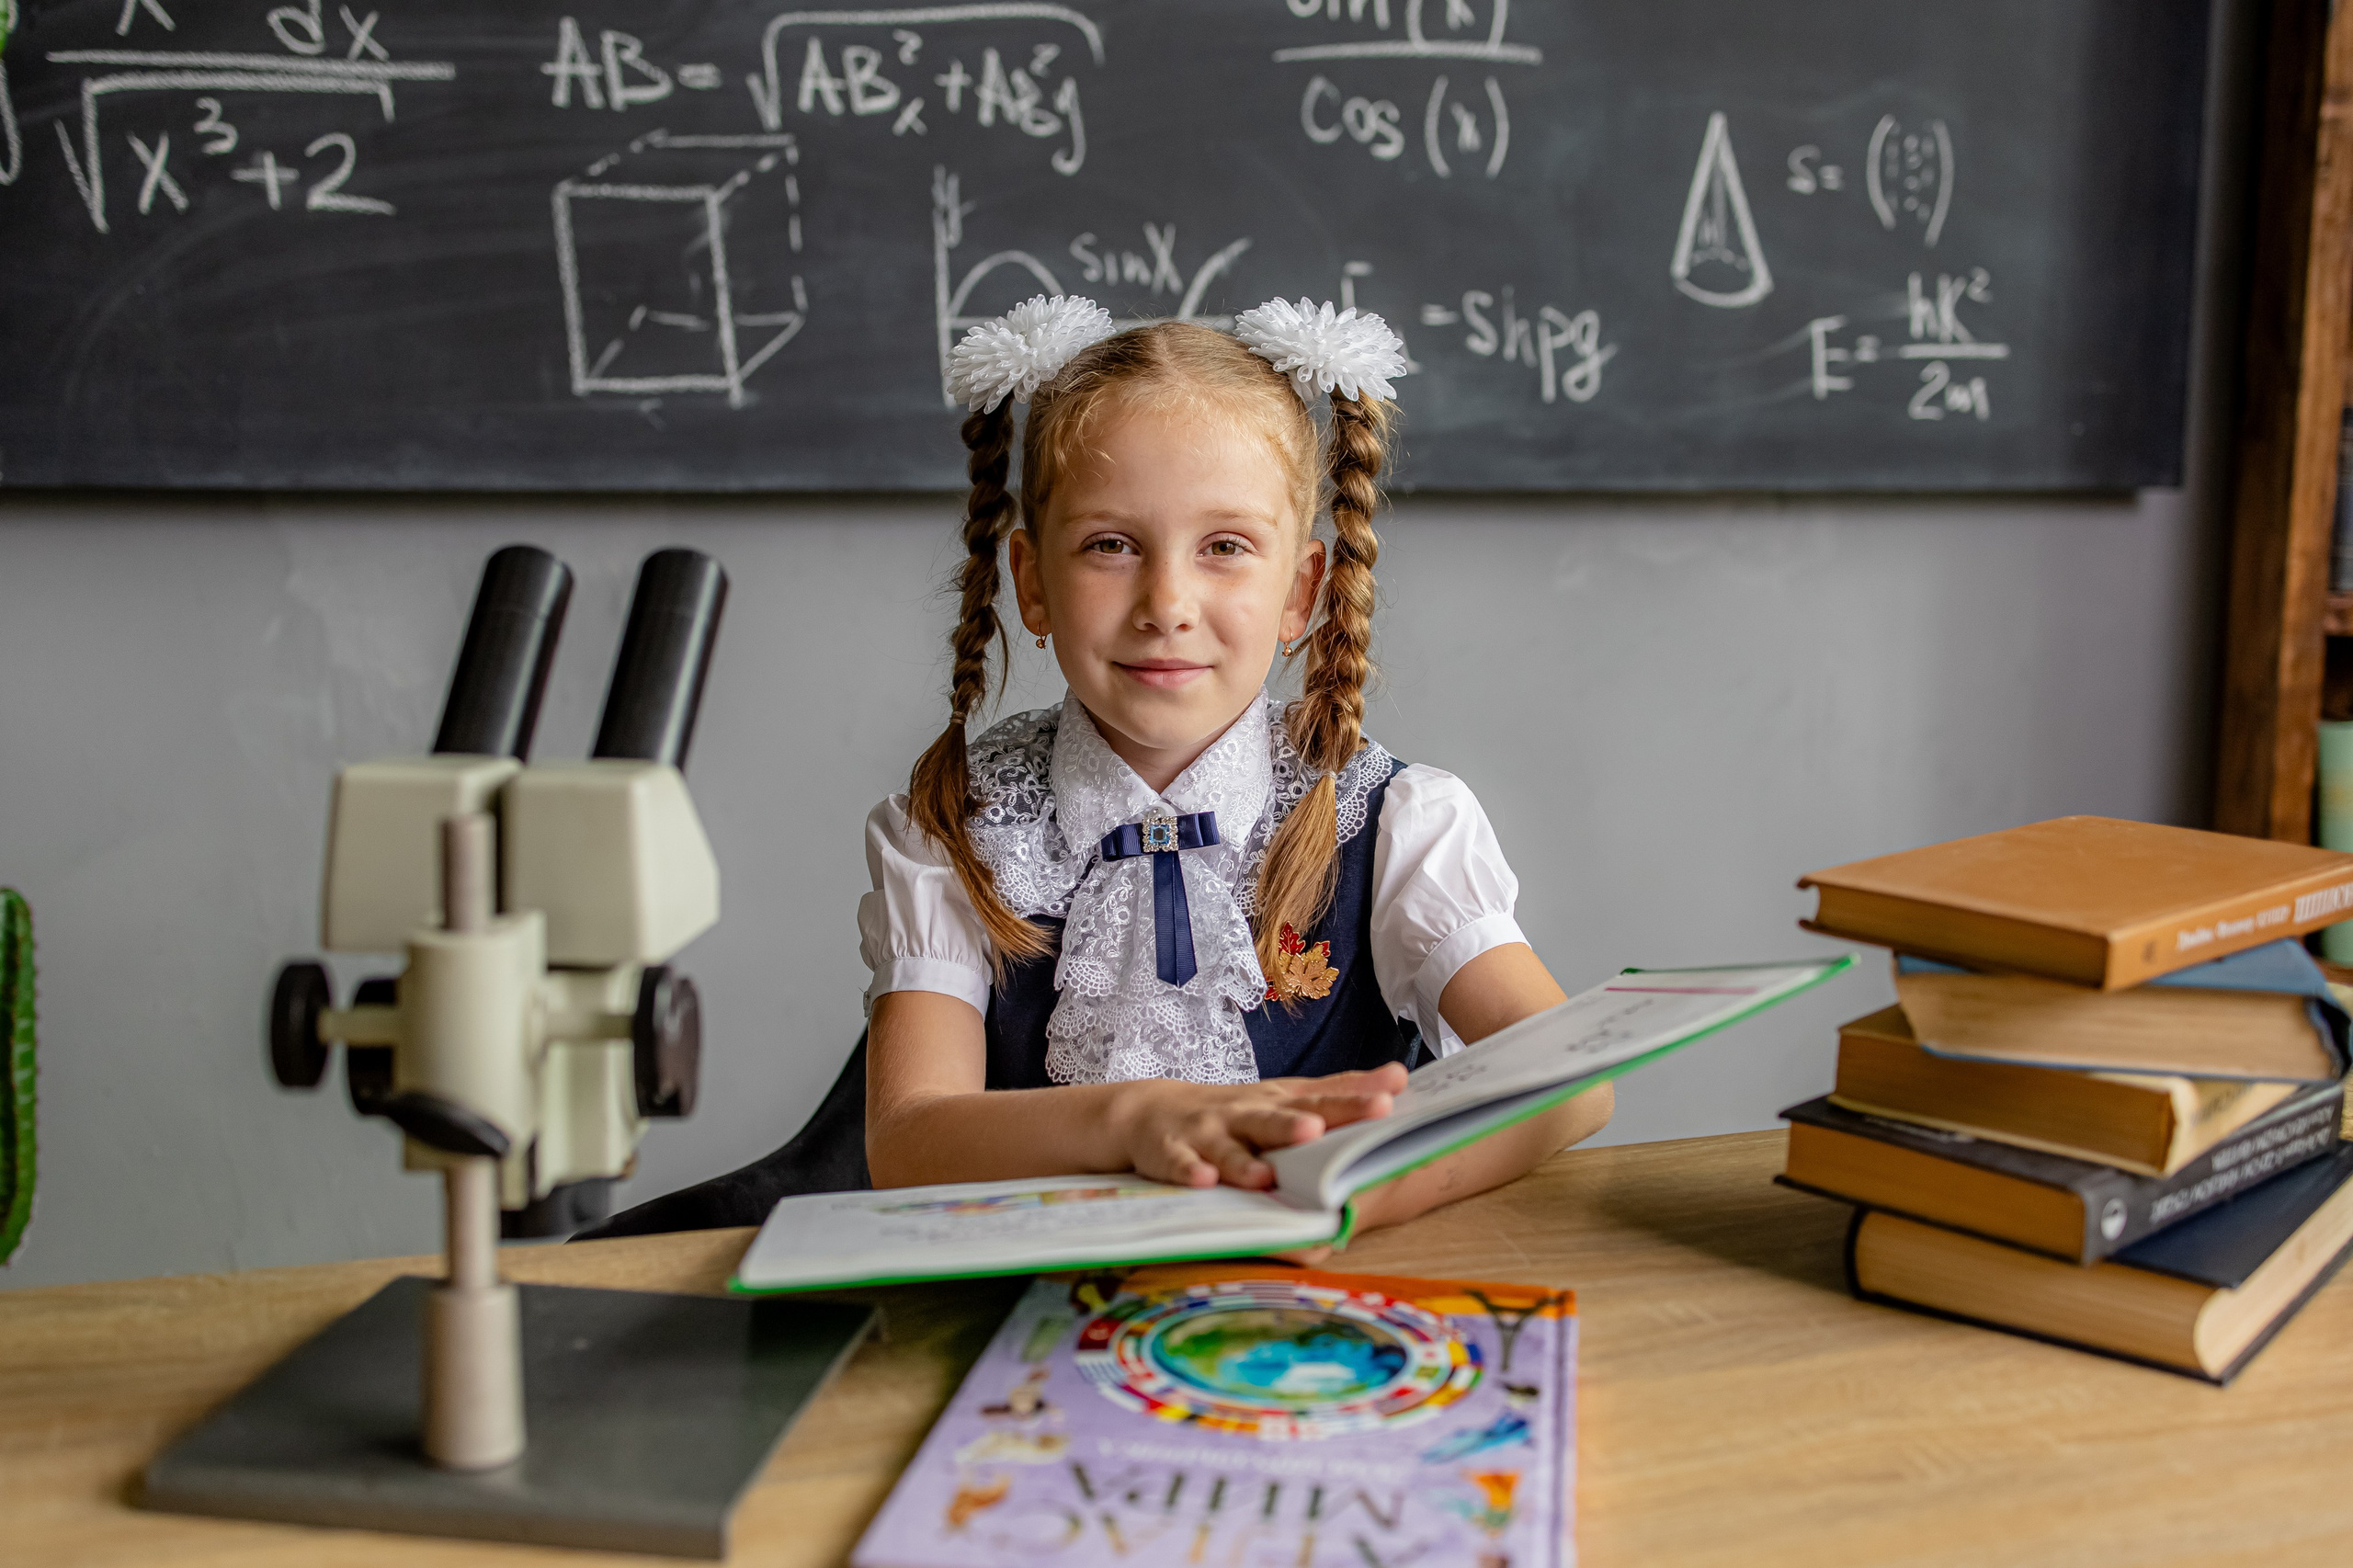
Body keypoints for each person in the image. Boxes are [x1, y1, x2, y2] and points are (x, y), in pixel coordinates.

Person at [859, 294, 1611, 1240]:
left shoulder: (1394, 823)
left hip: (1316, 1302)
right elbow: (908, 1141)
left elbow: (1571, 1085)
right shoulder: (956, 828)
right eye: (1109, 545)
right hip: (1031, 1310)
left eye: (1224, 547)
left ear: (1299, 590)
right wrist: (1133, 1118)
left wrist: (1354, 1201)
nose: (1167, 601)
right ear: (1032, 582)